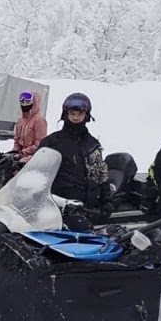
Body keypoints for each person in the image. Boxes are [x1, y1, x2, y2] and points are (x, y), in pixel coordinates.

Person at [36, 92, 111, 224]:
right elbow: (37, 172)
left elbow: (100, 174)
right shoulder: (52, 142)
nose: (75, 118)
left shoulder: (92, 144)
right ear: (65, 114)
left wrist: (106, 201)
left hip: (85, 208)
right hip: (56, 205)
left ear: (86, 116)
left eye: (80, 114)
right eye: (72, 114)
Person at [11, 91, 47, 163]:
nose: (24, 105)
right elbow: (17, 139)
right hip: (20, 156)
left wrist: (24, 152)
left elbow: (40, 143)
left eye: (28, 102)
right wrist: (15, 151)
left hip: (33, 158)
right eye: (22, 102)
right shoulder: (21, 120)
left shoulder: (39, 120)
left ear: (34, 103)